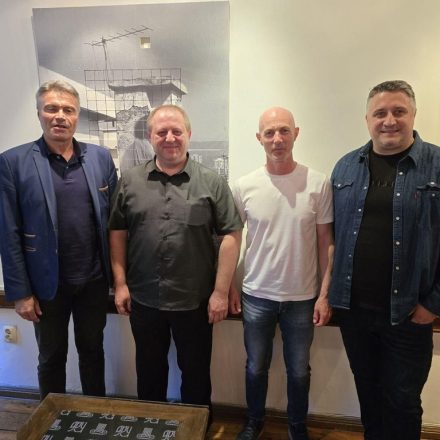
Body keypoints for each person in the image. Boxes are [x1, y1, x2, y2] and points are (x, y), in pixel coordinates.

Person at [108, 104, 242, 415]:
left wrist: (221, 292)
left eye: (177, 131)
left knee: (196, 377)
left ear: (188, 134)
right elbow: (117, 232)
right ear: (150, 137)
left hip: (195, 301)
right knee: (149, 374)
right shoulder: (129, 181)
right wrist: (120, 283)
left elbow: (231, 236)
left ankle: (195, 429)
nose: (170, 138)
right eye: (162, 132)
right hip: (144, 298)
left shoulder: (212, 182)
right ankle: (150, 428)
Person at [330, 80, 440, 440]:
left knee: (402, 401)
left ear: (413, 115)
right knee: (369, 395)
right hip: (354, 312)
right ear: (367, 119)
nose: (389, 120)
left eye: (398, 111)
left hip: (408, 314)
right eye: (380, 113)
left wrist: (433, 304)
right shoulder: (346, 167)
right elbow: (333, 238)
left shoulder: (436, 165)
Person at [0, 80, 117, 400]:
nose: (60, 116)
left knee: (93, 351)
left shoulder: (100, 158)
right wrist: (20, 293)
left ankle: (94, 415)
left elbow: (115, 224)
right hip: (45, 285)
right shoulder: (12, 162)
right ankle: (52, 419)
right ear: (39, 113)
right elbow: (8, 233)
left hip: (93, 281)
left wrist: (120, 279)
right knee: (51, 357)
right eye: (51, 108)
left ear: (77, 116)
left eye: (68, 110)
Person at [229, 107, 334, 440]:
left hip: (302, 298)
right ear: (259, 138)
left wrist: (324, 294)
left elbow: (326, 242)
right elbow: (232, 240)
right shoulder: (244, 185)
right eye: (270, 132)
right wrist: (228, 285)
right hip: (256, 295)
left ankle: (297, 426)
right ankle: (254, 421)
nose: (277, 139)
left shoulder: (318, 183)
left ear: (296, 133)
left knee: (299, 371)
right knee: (255, 366)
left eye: (284, 131)